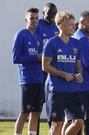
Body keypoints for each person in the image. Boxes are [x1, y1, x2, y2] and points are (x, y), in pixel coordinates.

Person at [42, 11, 84, 135]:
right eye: (70, 24)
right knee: (57, 124)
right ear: (60, 25)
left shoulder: (76, 43)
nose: (73, 27)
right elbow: (45, 66)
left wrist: (79, 75)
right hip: (57, 90)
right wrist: (63, 75)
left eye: (74, 24)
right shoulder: (51, 43)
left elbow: (78, 66)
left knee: (79, 122)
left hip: (73, 90)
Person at [12, 7, 43, 135]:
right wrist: (35, 57)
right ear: (26, 19)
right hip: (27, 80)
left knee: (36, 113)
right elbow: (16, 58)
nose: (34, 20)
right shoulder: (21, 35)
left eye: (36, 18)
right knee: (24, 112)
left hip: (39, 79)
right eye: (31, 18)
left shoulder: (38, 36)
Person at [72, 10, 89, 135]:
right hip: (86, 85)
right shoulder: (83, 39)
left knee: (77, 121)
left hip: (75, 86)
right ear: (82, 22)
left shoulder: (74, 36)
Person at [35, 2, 58, 130]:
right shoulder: (38, 25)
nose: (52, 16)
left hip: (53, 73)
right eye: (49, 13)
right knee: (37, 108)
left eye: (54, 13)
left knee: (52, 106)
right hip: (39, 73)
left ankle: (52, 131)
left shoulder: (56, 27)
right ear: (44, 13)